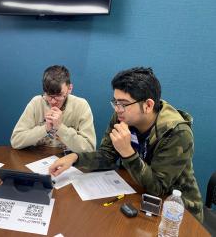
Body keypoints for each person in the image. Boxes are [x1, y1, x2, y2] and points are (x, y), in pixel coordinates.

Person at [49, 67, 203, 222]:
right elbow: (107, 155)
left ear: (148, 105)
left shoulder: (176, 132)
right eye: (115, 102)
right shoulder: (122, 116)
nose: (117, 109)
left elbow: (158, 187)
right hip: (136, 192)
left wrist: (127, 152)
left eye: (123, 103)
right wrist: (75, 158)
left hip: (177, 211)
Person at [11, 65, 96, 153]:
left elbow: (90, 149)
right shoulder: (36, 102)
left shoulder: (81, 105)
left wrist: (60, 128)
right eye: (48, 95)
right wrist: (45, 129)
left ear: (69, 88)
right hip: (38, 159)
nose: (53, 101)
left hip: (68, 161)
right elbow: (15, 141)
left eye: (58, 95)